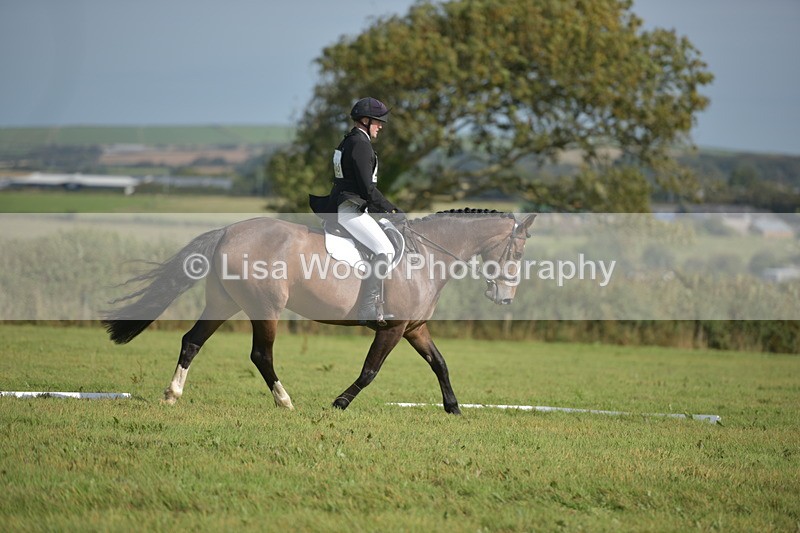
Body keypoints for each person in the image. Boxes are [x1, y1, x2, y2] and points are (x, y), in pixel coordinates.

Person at [309, 97, 403, 326]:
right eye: (378, 122)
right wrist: (390, 209)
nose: (381, 126)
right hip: (350, 210)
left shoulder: (349, 140)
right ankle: (368, 308)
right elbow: (367, 188)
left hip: (348, 206)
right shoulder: (360, 144)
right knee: (384, 250)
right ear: (365, 120)